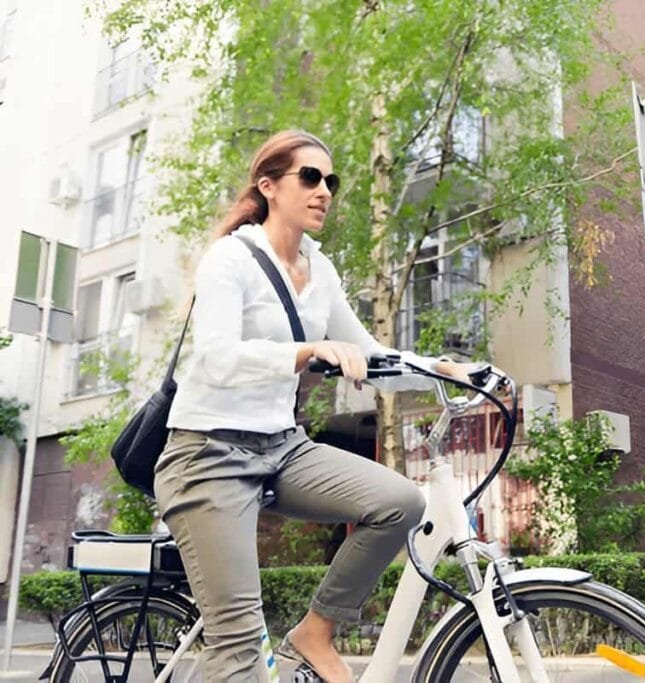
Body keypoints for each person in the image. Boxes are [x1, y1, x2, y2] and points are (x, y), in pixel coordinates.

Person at [155, 129, 470, 682]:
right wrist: (305, 352)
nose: (324, 190)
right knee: (238, 647)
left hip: (282, 448)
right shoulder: (230, 259)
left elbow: (368, 353)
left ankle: (315, 633)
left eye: (331, 181)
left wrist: (435, 368)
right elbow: (217, 357)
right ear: (269, 186)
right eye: (310, 177)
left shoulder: (319, 270)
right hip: (208, 455)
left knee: (399, 502)